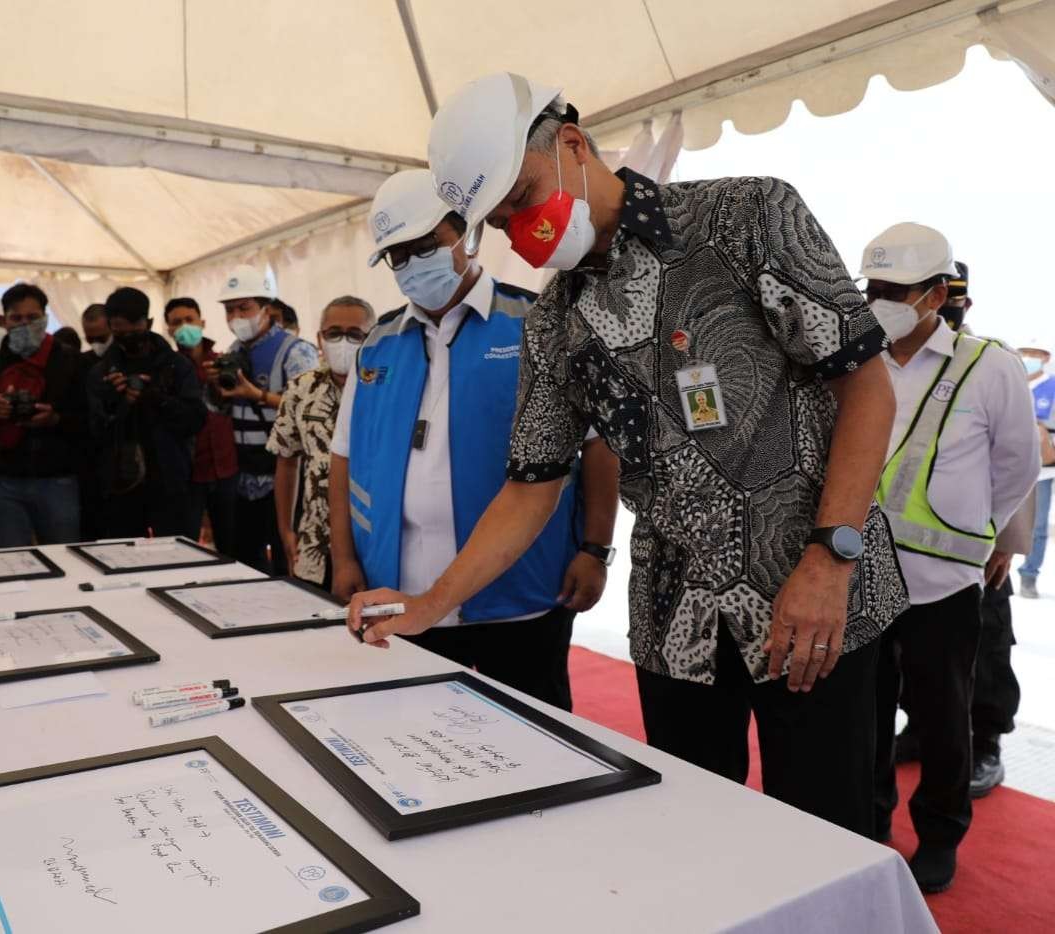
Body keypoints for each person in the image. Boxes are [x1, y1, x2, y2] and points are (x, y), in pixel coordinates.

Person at [350, 75, 908, 839]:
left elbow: (867, 386)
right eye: (496, 223)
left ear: (573, 146)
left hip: (810, 600)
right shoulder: (554, 321)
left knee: (827, 833)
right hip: (675, 618)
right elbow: (530, 487)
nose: (520, 233)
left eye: (521, 199)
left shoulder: (745, 216)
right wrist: (429, 606)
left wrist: (830, 557)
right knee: (694, 839)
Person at [333, 168, 620, 711]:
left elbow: (597, 444)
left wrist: (596, 548)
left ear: (468, 233)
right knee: (420, 740)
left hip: (523, 595)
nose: (414, 265)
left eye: (426, 245)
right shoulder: (377, 345)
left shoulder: (537, 324)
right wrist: (345, 557)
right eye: (398, 255)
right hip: (403, 596)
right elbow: (343, 456)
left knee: (538, 741)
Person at [861, 223, 1039, 892]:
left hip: (943, 583)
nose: (880, 301)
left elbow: (1016, 462)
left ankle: (939, 833)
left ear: (937, 294)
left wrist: (981, 535)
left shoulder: (987, 364)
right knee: (866, 713)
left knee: (942, 717)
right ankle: (870, 819)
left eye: (896, 291)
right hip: (861, 579)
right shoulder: (859, 357)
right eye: (872, 288)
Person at [206, 265, 318, 573]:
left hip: (284, 477)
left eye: (244, 308)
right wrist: (217, 392)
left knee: (288, 562)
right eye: (230, 310)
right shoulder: (232, 351)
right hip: (243, 476)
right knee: (244, 563)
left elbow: (310, 410)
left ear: (267, 308)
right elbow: (222, 411)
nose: (236, 317)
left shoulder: (297, 352)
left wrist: (258, 394)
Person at [0, 282, 86, 547]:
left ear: (45, 318)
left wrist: (56, 419)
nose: (25, 323)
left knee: (66, 557)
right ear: (5, 320)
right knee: (9, 564)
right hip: (3, 480)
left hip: (58, 478)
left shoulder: (72, 362)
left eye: (33, 317)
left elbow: (92, 422)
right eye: (16, 318)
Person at [267, 296, 375, 590]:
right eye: (333, 333)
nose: (343, 341)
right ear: (319, 338)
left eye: (355, 334)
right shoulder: (301, 388)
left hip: (374, 545)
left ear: (374, 337)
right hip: (314, 543)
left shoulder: (387, 387)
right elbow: (287, 460)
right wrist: (286, 530)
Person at [88, 288, 206, 539]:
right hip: (120, 485)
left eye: (136, 325)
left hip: (170, 481)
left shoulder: (176, 365)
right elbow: (92, 432)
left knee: (177, 559)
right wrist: (115, 404)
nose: (129, 333)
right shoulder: (100, 372)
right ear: (111, 326)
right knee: (121, 559)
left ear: (149, 323)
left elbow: (196, 418)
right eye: (120, 327)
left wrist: (156, 397)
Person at [164, 297, 239, 552]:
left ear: (202, 322)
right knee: (185, 547)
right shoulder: (167, 369)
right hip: (189, 472)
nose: (185, 326)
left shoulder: (224, 362)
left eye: (189, 320)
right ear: (169, 330)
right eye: (177, 322)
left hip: (226, 467)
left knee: (231, 546)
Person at [1017, 343, 1054, 598]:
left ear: (1045, 357)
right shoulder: (1013, 380)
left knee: (1039, 524)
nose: (1028, 357)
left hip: (1044, 466)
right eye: (1025, 352)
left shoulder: (1051, 387)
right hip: (1013, 460)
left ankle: (1029, 575)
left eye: (1034, 353)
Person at [76, 302, 111, 541]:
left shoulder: (128, 359)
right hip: (88, 460)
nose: (96, 344)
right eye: (91, 339)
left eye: (102, 337)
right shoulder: (80, 363)